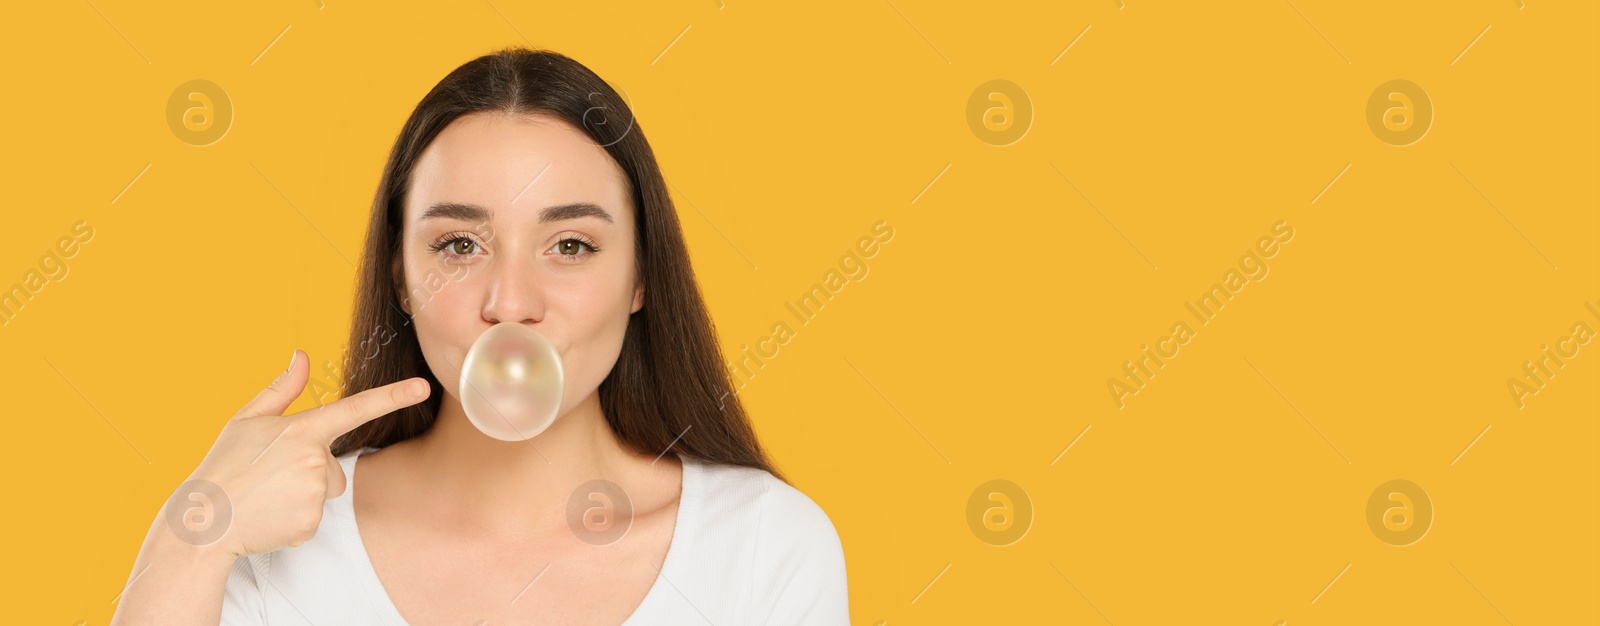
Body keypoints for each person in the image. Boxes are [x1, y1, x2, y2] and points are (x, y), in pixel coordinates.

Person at [110, 47, 849, 625]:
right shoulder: (279, 535)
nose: (511, 302)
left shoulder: (763, 548)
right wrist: (190, 532)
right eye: (460, 245)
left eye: (570, 245)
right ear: (400, 276)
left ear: (640, 279)